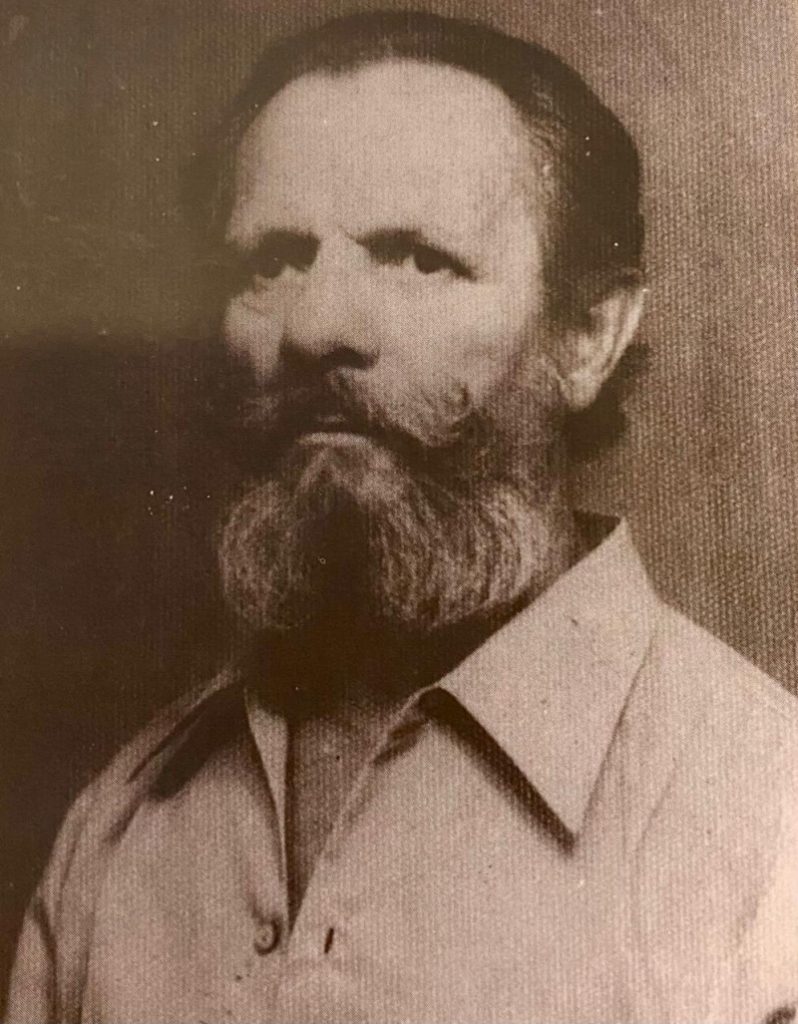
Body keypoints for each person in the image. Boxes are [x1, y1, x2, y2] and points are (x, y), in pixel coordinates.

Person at [5, 10, 798, 1023]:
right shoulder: (119, 828)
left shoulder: (768, 828)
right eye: (273, 260)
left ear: (589, 334)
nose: (315, 326)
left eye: (418, 259)